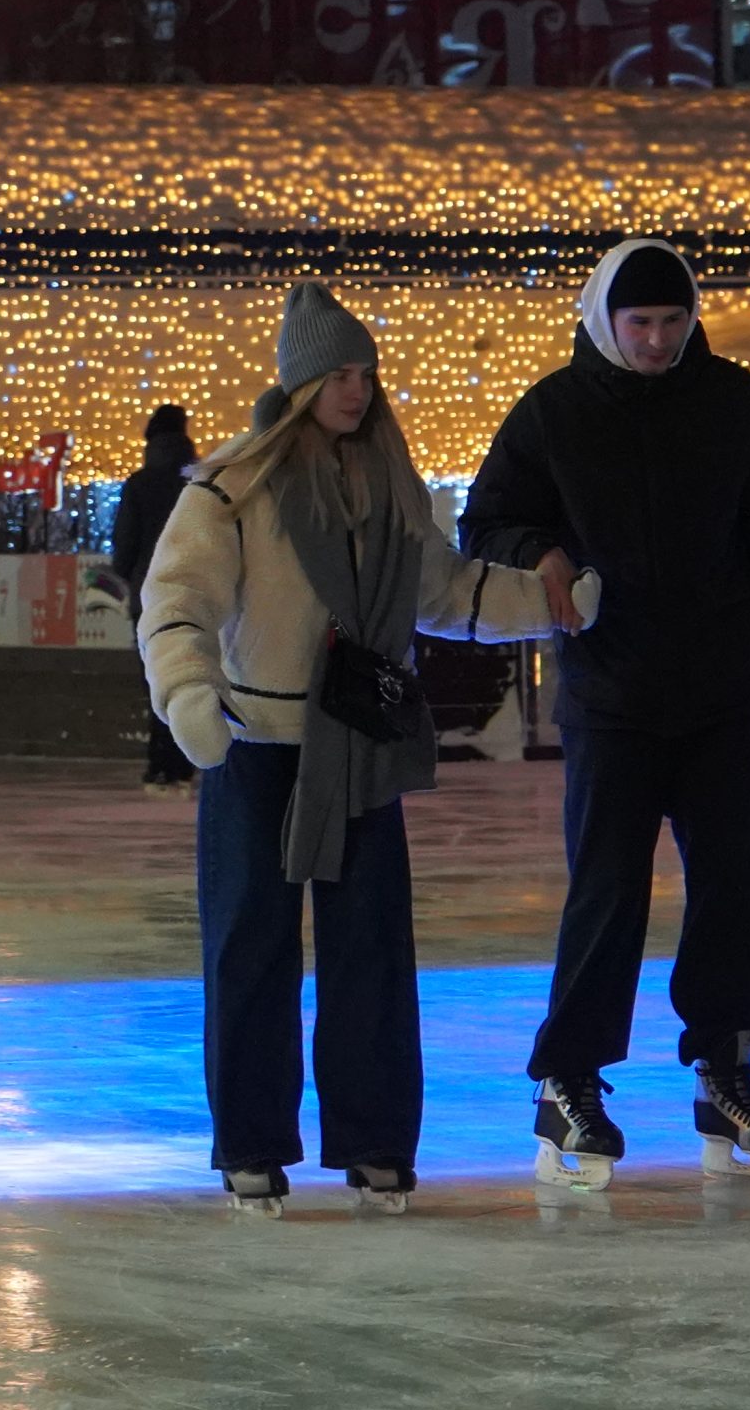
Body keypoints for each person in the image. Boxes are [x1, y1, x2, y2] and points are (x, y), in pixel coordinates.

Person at [138, 282, 594, 1216]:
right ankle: (252, 1147)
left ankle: (378, 1141)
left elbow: (448, 589)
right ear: (301, 381)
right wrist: (188, 694)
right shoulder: (235, 486)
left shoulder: (389, 488)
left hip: (359, 749)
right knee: (250, 948)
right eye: (338, 373)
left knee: (373, 952)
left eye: (365, 373)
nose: (355, 390)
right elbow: (178, 600)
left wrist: (547, 605)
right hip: (257, 747)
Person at [460, 238, 750, 1191]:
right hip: (611, 697)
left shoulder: (737, 406)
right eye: (639, 322)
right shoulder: (554, 412)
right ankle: (568, 1077)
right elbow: (482, 521)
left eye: (672, 321)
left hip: (720, 696)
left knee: (737, 883)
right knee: (608, 889)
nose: (657, 339)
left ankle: (726, 1065)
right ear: (604, 320)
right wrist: (541, 550)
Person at [111, 405, 200, 792]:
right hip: (197, 593)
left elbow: (124, 548)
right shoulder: (199, 481)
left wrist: (128, 571)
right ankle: (186, 760)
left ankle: (159, 763)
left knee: (156, 679)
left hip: (149, 597)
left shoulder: (138, 484)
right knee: (193, 676)